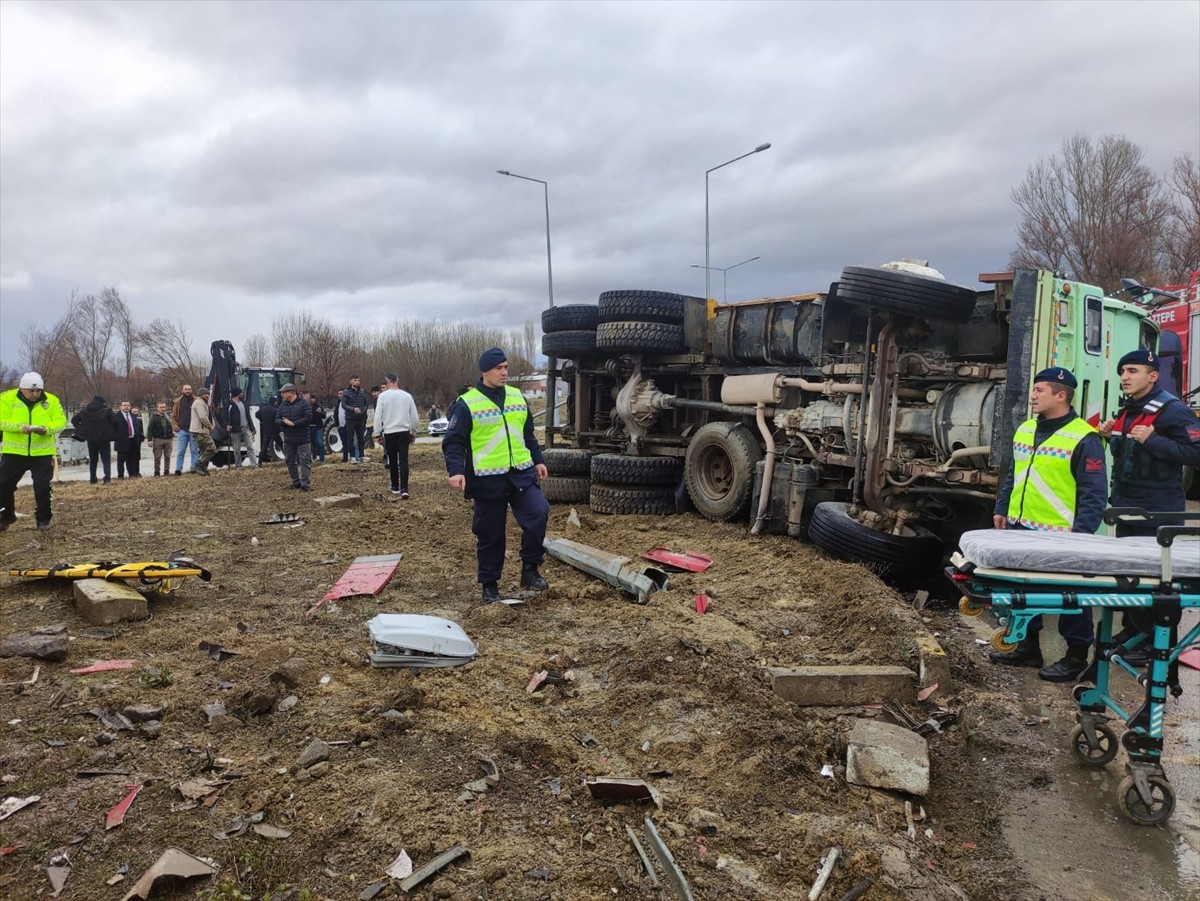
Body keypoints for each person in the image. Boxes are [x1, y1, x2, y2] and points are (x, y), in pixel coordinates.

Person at [989, 367, 1108, 682]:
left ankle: (1076, 657)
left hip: (1060, 534)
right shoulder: (1027, 428)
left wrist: (1080, 538)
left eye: (1040, 390)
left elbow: (1094, 495)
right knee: (1023, 592)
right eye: (1034, 389)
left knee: (1070, 597)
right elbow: (1014, 474)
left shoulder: (1085, 437)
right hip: (1020, 526)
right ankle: (1027, 648)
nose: (1033, 395)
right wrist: (1002, 507)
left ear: (1061, 395)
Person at [1098, 348, 1200, 664]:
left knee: (1158, 579)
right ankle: (1134, 631)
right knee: (1131, 575)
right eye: (1122, 372)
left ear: (1153, 376)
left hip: (1158, 512)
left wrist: (1153, 440)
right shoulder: (1129, 410)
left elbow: (1195, 453)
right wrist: (1108, 433)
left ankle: (1158, 642)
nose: (1125, 377)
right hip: (1128, 508)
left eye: (1132, 371)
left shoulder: (1173, 410)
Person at [443, 347, 550, 603]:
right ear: (485, 372)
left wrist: (538, 460)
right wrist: (456, 470)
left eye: (505, 368)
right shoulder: (467, 403)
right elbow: (454, 441)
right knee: (491, 534)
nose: (504, 373)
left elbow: (527, 435)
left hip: (521, 473)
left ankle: (530, 569)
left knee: (539, 513)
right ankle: (490, 585)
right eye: (498, 369)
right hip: (487, 478)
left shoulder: (517, 397)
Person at [0, 372, 67, 532]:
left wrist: (47, 429)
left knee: (42, 487)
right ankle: (6, 514)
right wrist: (19, 428)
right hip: (14, 452)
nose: (35, 394)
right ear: (22, 389)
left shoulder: (51, 400)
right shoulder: (6, 399)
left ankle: (43, 519)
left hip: (41, 453)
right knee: (3, 485)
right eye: (31, 391)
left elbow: (61, 421)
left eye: (38, 391)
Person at [374, 373, 420, 497]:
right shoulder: (407, 396)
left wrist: (377, 433)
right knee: (404, 460)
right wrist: (413, 430)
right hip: (404, 430)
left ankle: (395, 486)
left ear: (387, 381)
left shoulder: (383, 397)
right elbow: (414, 416)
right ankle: (404, 488)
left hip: (389, 431)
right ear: (397, 381)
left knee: (392, 460)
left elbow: (378, 416)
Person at [72, 394, 120, 484]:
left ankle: (93, 478)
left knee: (93, 459)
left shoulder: (85, 411)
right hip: (104, 438)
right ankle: (107, 478)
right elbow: (115, 421)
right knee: (106, 459)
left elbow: (74, 420)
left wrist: (82, 429)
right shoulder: (107, 411)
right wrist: (111, 430)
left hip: (91, 439)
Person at [276, 383, 313, 490]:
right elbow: (277, 418)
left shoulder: (304, 404)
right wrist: (283, 422)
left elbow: (308, 417)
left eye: (284, 392)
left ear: (291, 392)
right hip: (288, 439)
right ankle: (296, 482)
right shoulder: (282, 406)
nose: (282, 395)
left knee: (304, 460)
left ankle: (305, 483)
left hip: (303, 438)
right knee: (289, 461)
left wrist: (294, 423)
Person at [226, 387, 259, 468]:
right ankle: (238, 465)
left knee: (250, 447)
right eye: (241, 393)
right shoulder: (229, 404)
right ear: (237, 394)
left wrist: (252, 428)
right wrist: (227, 425)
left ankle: (254, 465)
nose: (242, 394)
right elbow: (225, 416)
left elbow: (248, 416)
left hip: (246, 428)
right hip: (235, 429)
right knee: (236, 449)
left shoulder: (244, 403)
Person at [189, 386, 218, 476]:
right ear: (200, 394)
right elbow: (202, 417)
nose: (207, 395)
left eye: (208, 394)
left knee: (203, 450)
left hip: (199, 430)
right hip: (200, 430)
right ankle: (198, 465)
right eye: (205, 394)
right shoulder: (199, 403)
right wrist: (209, 426)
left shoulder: (200, 402)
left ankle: (202, 470)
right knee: (211, 448)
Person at [171, 384, 199, 476]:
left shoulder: (196, 401)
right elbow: (173, 416)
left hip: (193, 430)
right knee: (181, 451)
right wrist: (175, 426)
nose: (188, 391)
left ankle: (194, 468)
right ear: (182, 390)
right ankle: (178, 469)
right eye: (186, 389)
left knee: (194, 450)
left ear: (191, 390)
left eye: (189, 389)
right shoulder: (178, 402)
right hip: (182, 430)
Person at [341, 376, 368, 463]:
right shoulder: (346, 392)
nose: (357, 382)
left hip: (360, 418)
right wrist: (353, 409)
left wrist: (363, 410)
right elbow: (344, 405)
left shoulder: (362, 391)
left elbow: (365, 403)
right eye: (355, 380)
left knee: (361, 438)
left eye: (358, 380)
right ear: (350, 381)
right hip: (350, 418)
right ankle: (352, 456)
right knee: (350, 438)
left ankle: (361, 455)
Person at [114, 400, 144, 478]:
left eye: (128, 405)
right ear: (120, 407)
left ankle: (132, 474)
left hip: (133, 440)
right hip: (122, 441)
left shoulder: (133, 416)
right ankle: (120, 475)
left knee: (132, 458)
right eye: (124, 405)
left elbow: (136, 428)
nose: (126, 407)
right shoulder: (116, 417)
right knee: (121, 460)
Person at [147, 400, 174, 476]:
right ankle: (157, 472)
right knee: (157, 457)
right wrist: (149, 440)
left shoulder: (168, 416)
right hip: (158, 439)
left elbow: (173, 425)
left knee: (168, 456)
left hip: (169, 439)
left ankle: (166, 471)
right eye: (161, 407)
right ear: (157, 408)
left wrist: (173, 432)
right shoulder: (153, 417)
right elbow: (150, 429)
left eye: (164, 407)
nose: (163, 409)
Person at [256, 396, 281, 464]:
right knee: (281, 445)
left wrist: (262, 420)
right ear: (275, 402)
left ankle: (259, 462)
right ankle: (289, 459)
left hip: (266, 431)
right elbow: (278, 419)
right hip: (275, 431)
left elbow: (256, 414)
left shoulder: (263, 409)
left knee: (264, 447)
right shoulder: (276, 410)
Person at [306, 392, 326, 462]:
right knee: (312, 443)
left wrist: (320, 412)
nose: (309, 400)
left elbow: (324, 416)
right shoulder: (307, 407)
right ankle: (314, 457)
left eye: (311, 399)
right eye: (309, 399)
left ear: (314, 399)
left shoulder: (318, 406)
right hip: (309, 427)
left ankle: (321, 458)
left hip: (317, 427)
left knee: (319, 442)